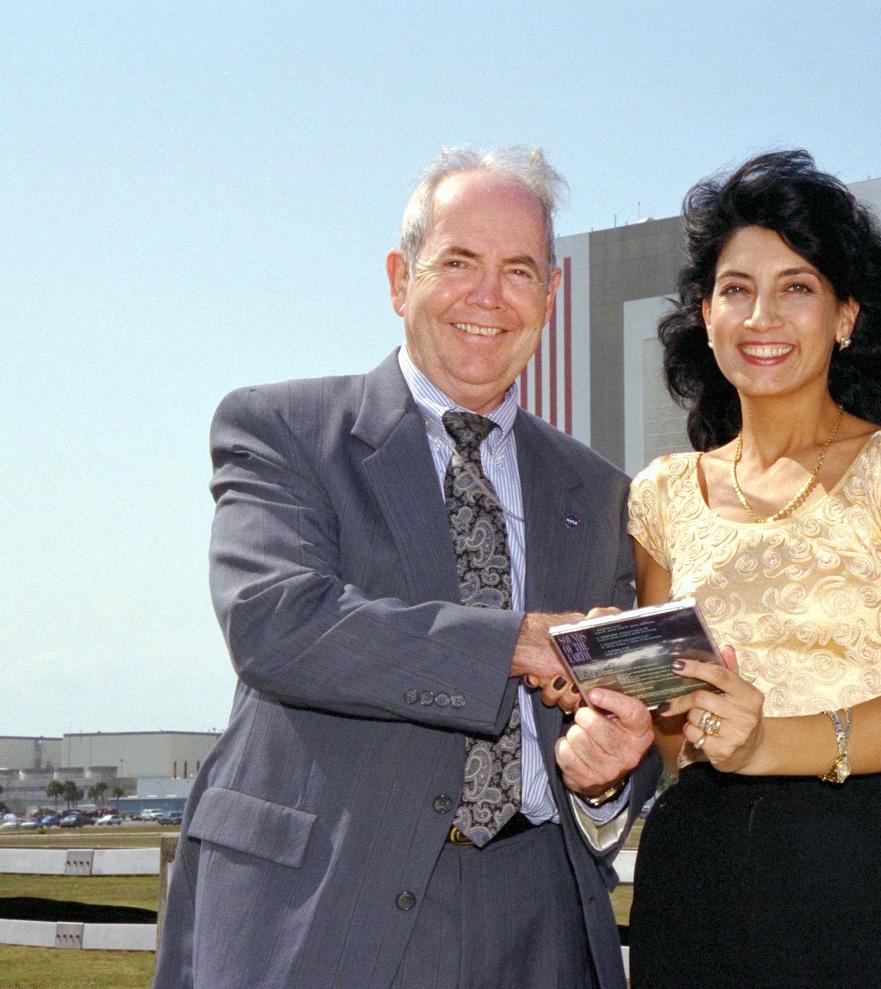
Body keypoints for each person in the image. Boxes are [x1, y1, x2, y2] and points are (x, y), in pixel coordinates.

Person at [153, 146, 660, 989]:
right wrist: (516, 645)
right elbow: (277, 622)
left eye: (518, 270)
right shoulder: (283, 431)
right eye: (458, 262)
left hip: (540, 923)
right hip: (322, 912)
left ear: (550, 296)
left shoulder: (601, 493)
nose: (488, 297)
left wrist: (611, 770)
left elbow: (607, 734)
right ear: (400, 278)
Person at [625, 150, 881, 988]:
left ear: (846, 316)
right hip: (692, 870)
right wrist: (640, 712)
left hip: (858, 862)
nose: (763, 315)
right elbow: (677, 737)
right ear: (706, 315)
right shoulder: (661, 495)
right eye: (736, 288)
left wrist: (765, 743)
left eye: (797, 286)